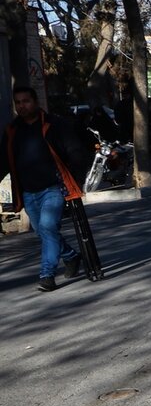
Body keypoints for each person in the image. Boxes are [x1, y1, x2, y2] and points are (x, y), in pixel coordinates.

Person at [0, 87, 90, 291]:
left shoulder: (54, 125)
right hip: (28, 192)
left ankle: (47, 274)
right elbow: (3, 162)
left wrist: (74, 180)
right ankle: (71, 256)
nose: (22, 106)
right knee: (42, 232)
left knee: (48, 227)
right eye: (18, 102)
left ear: (36, 101)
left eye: (26, 101)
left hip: (53, 189)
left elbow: (76, 153)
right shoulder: (12, 131)